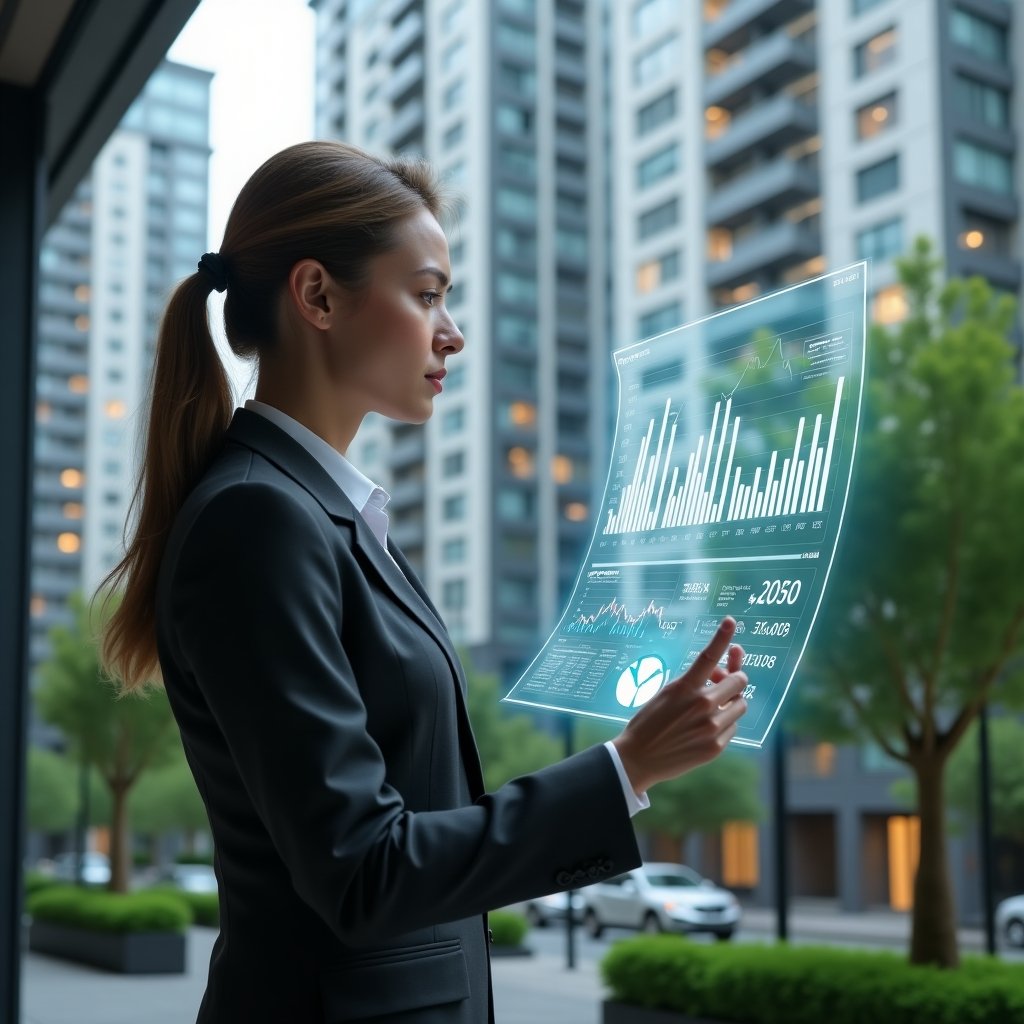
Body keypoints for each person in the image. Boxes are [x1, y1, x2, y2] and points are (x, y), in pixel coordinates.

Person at [99, 140, 747, 1024]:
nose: (454, 331)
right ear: (318, 295)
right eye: (429, 293)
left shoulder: (316, 512)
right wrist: (624, 769)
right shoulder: (258, 522)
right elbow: (365, 869)